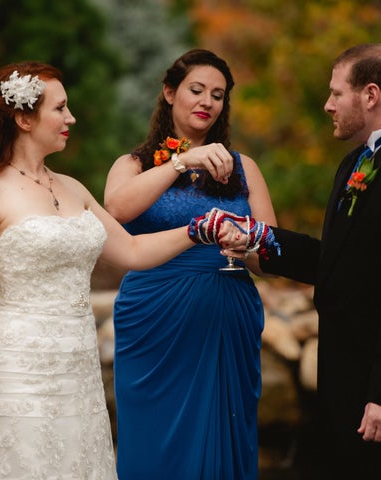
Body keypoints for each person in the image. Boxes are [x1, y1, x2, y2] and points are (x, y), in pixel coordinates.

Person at [0, 62, 231, 479]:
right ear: (24, 118)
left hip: (79, 374)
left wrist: (198, 230)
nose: (71, 119)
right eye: (60, 109)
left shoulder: (72, 188)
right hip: (17, 373)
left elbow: (134, 250)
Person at [219, 43, 381, 479]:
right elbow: (336, 263)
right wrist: (259, 237)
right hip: (351, 385)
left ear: (370, 95)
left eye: (336, 93)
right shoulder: (359, 162)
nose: (327, 105)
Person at [103, 48, 277, 479]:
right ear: (169, 93)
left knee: (226, 435)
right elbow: (116, 211)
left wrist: (248, 242)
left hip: (227, 312)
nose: (207, 102)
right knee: (154, 442)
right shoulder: (133, 164)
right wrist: (183, 160)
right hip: (154, 318)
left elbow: (272, 252)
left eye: (218, 95)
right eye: (196, 90)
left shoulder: (244, 168)